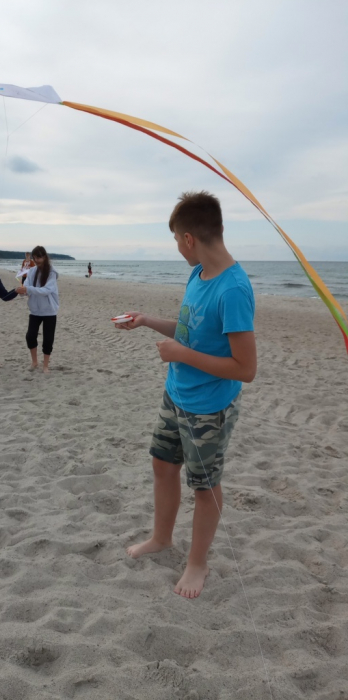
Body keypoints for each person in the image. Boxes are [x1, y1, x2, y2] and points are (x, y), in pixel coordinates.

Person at [119, 191, 256, 599]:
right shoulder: (198, 275)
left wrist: (181, 355)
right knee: (162, 465)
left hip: (209, 407)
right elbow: (188, 331)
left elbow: (245, 369)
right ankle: (162, 538)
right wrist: (147, 321)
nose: (178, 248)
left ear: (189, 239)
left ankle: (198, 563)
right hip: (176, 393)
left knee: (205, 486)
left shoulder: (233, 290)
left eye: (177, 240)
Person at [16, 246, 59, 374]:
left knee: (48, 339)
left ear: (45, 257)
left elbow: (46, 290)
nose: (37, 260)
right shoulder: (31, 271)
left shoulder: (51, 272)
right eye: (35, 258)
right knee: (30, 336)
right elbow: (27, 287)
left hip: (49, 311)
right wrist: (22, 291)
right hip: (35, 310)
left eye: (39, 257)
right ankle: (34, 362)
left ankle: (45, 366)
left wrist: (28, 289)